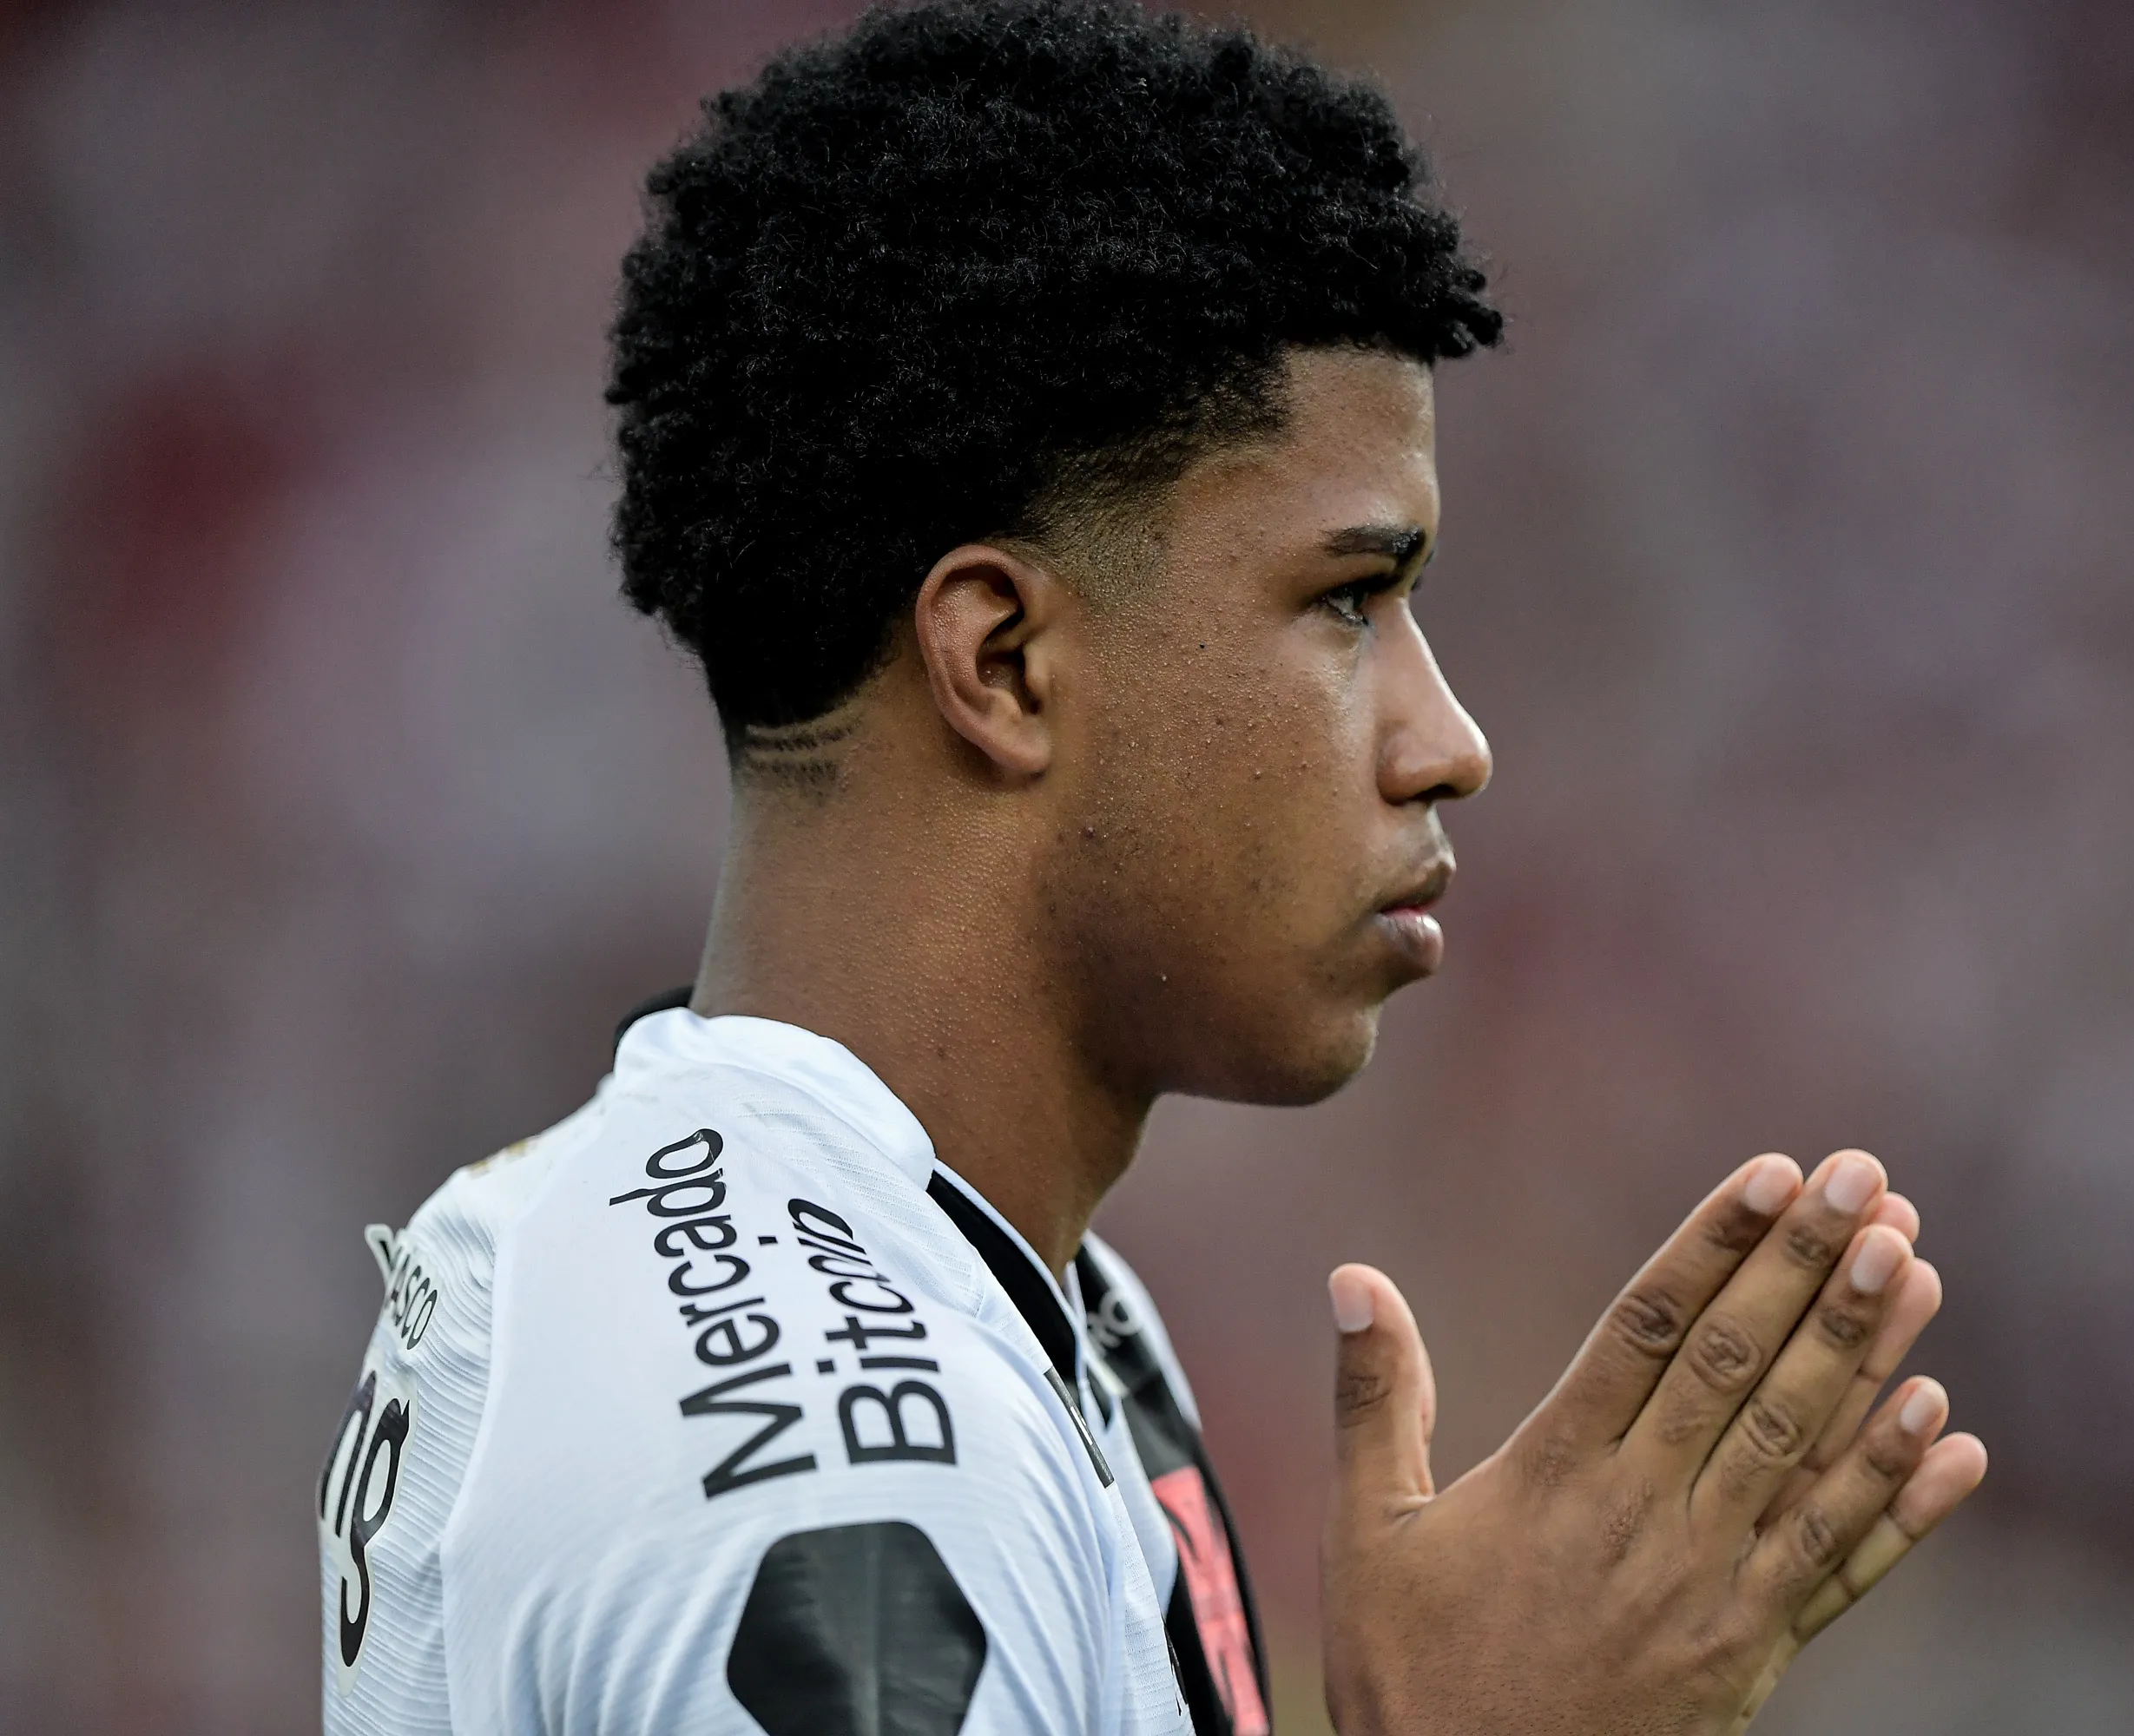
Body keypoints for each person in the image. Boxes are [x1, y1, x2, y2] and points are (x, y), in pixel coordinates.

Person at [316, 3, 1988, 1731]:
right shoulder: (853, 1476)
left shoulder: (837, 1273)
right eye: (1347, 600)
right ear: (1005, 661)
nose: (1449, 740)